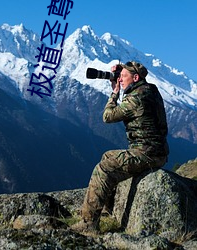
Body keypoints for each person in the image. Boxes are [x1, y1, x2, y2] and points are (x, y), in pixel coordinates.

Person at [71, 61, 169, 233]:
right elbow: (132, 81)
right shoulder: (150, 90)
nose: (120, 79)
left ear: (136, 78)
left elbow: (107, 117)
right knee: (108, 156)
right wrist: (122, 72)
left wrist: (114, 93)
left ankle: (88, 224)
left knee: (104, 168)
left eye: (124, 77)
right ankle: (108, 210)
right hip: (156, 151)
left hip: (146, 153)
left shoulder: (136, 99)